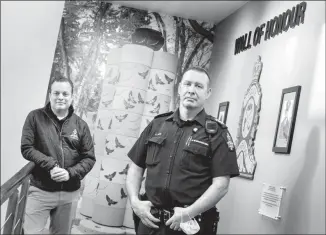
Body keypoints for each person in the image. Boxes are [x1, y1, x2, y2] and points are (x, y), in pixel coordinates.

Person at [126, 67, 239, 235]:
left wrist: (189, 213)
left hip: (188, 226)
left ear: (208, 93)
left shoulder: (217, 134)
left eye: (199, 86)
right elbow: (135, 168)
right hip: (150, 222)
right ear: (180, 89)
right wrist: (135, 202)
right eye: (187, 84)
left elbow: (221, 186)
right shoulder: (157, 125)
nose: (191, 90)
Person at [21, 75, 96, 234]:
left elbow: (89, 157)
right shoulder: (35, 117)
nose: (60, 97)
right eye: (56, 93)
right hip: (40, 190)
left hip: (69, 194)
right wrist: (51, 164)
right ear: (50, 95)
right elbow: (27, 147)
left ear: (71, 97)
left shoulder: (81, 125)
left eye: (65, 94)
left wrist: (70, 173)